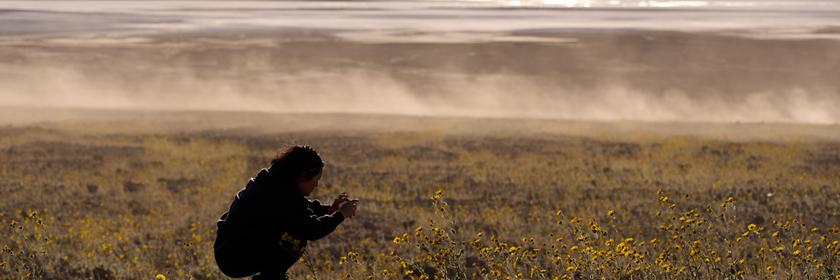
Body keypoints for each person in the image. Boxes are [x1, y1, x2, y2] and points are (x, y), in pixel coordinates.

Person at [214, 145, 358, 279]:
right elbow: (312, 229)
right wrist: (340, 215)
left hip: (228, 249)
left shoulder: (273, 183)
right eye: (316, 179)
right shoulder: (282, 195)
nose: (316, 185)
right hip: (234, 258)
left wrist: (329, 209)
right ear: (302, 176)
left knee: (293, 230)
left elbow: (299, 210)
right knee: (295, 239)